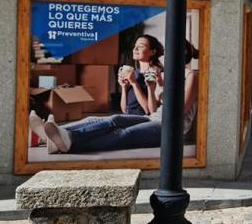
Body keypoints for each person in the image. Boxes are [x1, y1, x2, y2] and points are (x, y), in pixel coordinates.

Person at [38, 40, 200, 154]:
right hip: (153, 118)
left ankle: (70, 143)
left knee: (123, 134)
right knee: (114, 119)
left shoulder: (191, 75)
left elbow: (181, 111)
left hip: (171, 129)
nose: (166, 55)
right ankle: (58, 134)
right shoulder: (164, 76)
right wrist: (153, 87)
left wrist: (163, 87)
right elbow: (152, 109)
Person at [120, 34, 164, 116]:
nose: (135, 49)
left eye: (141, 46)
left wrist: (134, 83)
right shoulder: (135, 73)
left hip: (142, 118)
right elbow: (125, 109)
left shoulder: (156, 74)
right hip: (128, 117)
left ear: (152, 52)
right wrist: (124, 87)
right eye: (135, 46)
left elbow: (149, 111)